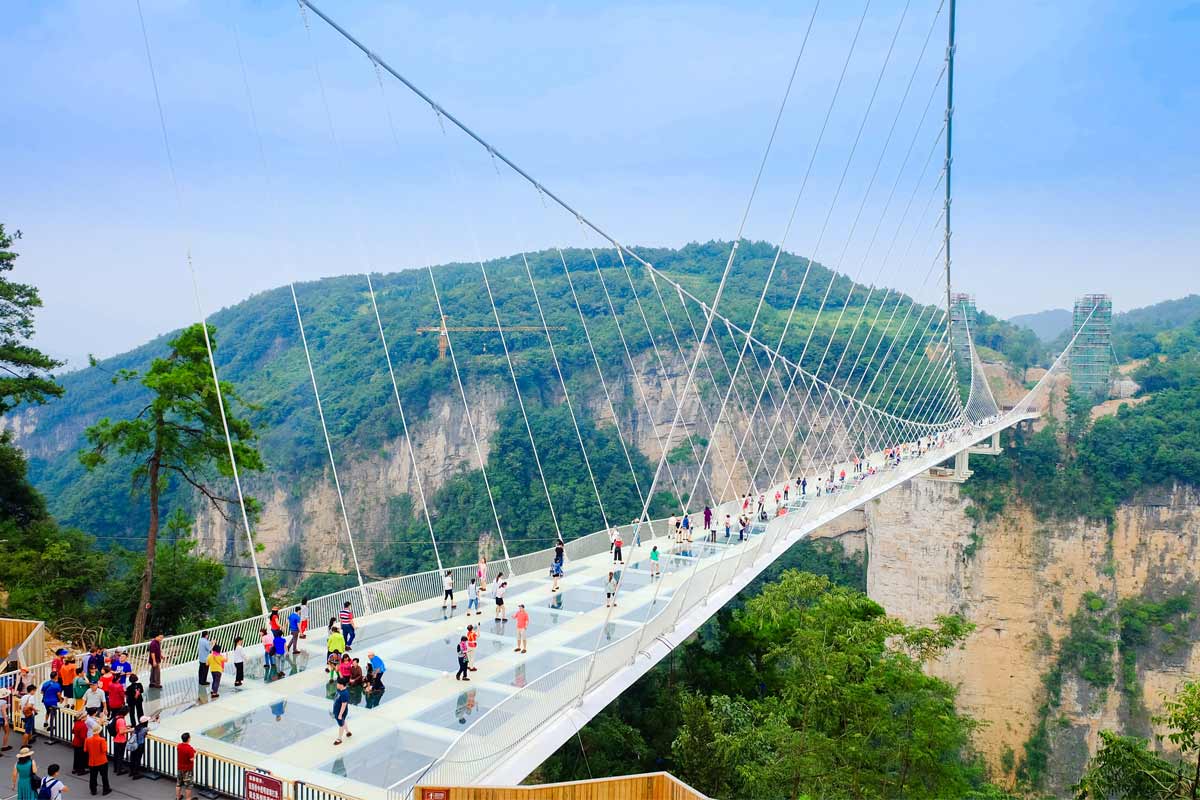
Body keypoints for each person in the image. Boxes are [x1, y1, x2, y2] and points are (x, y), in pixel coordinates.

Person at [85, 727, 110, 796]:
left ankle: (93, 790)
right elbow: (104, 750)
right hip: (102, 761)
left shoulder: (88, 740)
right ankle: (106, 789)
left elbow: (85, 750)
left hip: (92, 761)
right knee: (104, 776)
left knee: (93, 776)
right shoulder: (102, 740)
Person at [175, 733, 195, 800]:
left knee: (179, 783)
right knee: (188, 785)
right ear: (189, 739)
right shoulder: (189, 749)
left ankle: (178, 797)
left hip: (180, 768)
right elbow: (191, 759)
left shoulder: (179, 746)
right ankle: (188, 798)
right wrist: (196, 754)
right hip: (188, 769)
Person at [331, 678, 351, 745]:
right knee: (343, 721)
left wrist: (340, 714)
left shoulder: (344, 693)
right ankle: (348, 732)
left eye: (338, 683)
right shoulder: (339, 690)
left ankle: (339, 739)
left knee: (341, 725)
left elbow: (344, 705)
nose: (336, 684)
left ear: (341, 685)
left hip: (340, 712)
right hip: (337, 710)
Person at [70, 711, 88, 775]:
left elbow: (73, 731)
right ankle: (81, 770)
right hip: (81, 743)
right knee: (81, 757)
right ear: (83, 717)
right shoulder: (83, 725)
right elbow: (83, 736)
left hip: (75, 741)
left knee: (76, 756)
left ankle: (75, 768)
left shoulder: (76, 723)